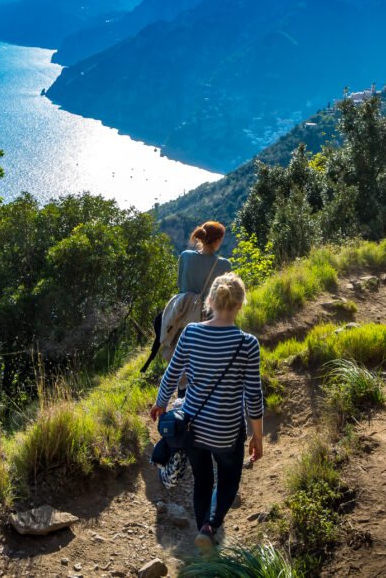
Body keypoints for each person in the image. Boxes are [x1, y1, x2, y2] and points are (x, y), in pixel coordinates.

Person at [149, 273, 264, 551]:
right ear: (240, 305)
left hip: (193, 427)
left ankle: (203, 533)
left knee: (202, 479)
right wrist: (257, 436)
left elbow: (172, 374)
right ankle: (209, 527)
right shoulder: (248, 344)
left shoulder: (191, 333)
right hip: (226, 430)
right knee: (228, 480)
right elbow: (253, 396)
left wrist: (160, 403)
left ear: (209, 301)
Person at [144, 221, 232, 380]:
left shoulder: (185, 256)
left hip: (181, 316)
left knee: (181, 361)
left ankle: (182, 398)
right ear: (218, 240)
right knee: (203, 365)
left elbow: (180, 285)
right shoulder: (225, 264)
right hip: (209, 319)